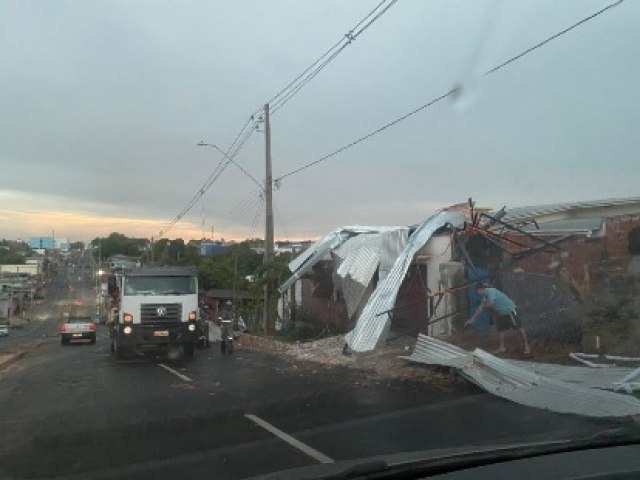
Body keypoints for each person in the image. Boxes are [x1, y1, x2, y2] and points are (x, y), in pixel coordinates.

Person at [466, 281, 531, 355]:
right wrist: (473, 318)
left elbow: (491, 303)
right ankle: (502, 347)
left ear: (480, 289)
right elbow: (480, 308)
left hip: (510, 311)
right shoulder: (484, 296)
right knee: (500, 330)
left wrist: (483, 305)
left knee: (519, 328)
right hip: (501, 313)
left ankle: (527, 345)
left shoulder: (491, 291)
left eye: (477, 290)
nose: (477, 292)